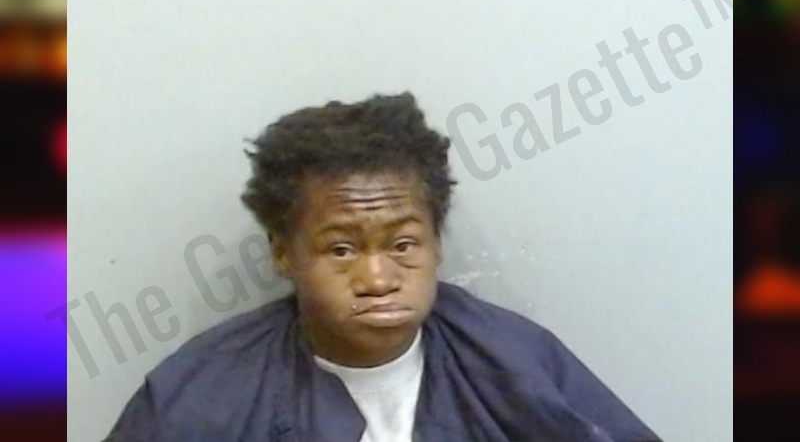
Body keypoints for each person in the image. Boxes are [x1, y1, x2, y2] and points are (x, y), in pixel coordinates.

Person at [105, 93, 660, 441]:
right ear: (283, 253)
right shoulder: (201, 393)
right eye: (342, 250)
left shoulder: (517, 363)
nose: (377, 280)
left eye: (402, 245)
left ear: (436, 244)